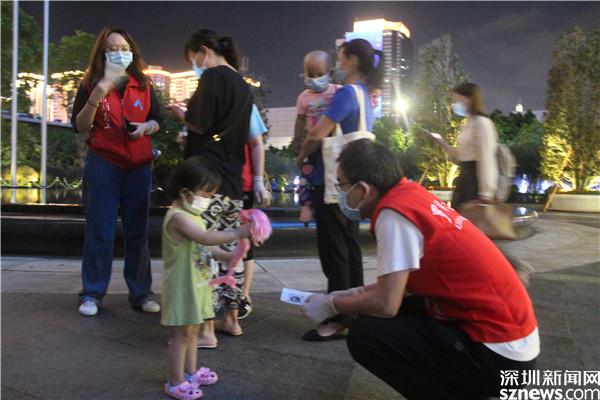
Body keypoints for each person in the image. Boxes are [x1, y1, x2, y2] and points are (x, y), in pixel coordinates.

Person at [301, 139, 540, 399]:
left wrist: (332, 306)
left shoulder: (393, 215)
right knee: (384, 311)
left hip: (499, 357)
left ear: (364, 189)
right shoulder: (411, 196)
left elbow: (386, 303)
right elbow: (396, 287)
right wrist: (352, 294)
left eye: (341, 185)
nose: (340, 193)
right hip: (513, 342)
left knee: (366, 335)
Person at [165, 29, 269, 345]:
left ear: (204, 51)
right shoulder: (242, 84)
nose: (195, 65)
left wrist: (180, 115)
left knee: (205, 254)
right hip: (233, 181)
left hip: (207, 181)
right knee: (229, 254)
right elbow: (248, 136)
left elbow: (199, 123)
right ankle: (231, 320)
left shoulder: (213, 77)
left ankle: (206, 330)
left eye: (194, 59)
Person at [71, 27, 162, 317]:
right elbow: (80, 125)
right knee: (100, 230)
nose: (119, 52)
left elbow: (157, 119)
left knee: (137, 231)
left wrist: (145, 128)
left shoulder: (143, 83)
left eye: (124, 47)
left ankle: (141, 293)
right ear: (103, 53)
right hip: (104, 163)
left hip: (138, 165)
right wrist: (97, 94)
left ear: (132, 51)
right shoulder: (90, 83)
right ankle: (92, 293)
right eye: (112, 48)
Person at [296, 39, 381, 341]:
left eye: (342, 58)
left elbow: (317, 133)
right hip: (353, 186)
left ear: (353, 60)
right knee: (350, 249)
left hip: (332, 182)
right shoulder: (365, 95)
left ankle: (337, 318)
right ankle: (354, 311)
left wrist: (302, 154)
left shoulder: (346, 93)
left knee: (334, 253)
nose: (339, 63)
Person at [162, 156, 252, 399]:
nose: (209, 200)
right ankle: (174, 382)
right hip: (182, 286)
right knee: (181, 335)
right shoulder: (178, 216)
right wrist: (236, 232)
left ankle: (190, 373)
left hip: (197, 283)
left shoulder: (193, 215)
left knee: (192, 332)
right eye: (206, 194)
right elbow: (203, 238)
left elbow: (205, 246)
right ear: (185, 192)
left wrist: (227, 256)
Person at [430, 82, 534, 284]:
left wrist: (486, 191)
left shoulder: (482, 124)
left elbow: (487, 157)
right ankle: (483, 272)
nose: (455, 103)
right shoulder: (468, 124)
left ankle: (514, 266)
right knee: (468, 234)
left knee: (475, 234)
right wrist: (442, 143)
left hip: (475, 181)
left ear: (470, 99)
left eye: (458, 99)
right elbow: (460, 156)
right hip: (465, 178)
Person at [292, 51, 341, 223]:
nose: (315, 79)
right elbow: (299, 120)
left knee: (331, 174)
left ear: (330, 72)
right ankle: (306, 205)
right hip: (312, 144)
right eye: (310, 75)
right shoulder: (303, 97)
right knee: (306, 174)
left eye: (319, 75)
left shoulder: (337, 91)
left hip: (332, 142)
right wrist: (297, 140)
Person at [238, 105, 270, 319]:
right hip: (214, 183)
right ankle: (224, 293)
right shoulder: (206, 99)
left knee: (244, 243)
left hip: (243, 184)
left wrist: (258, 179)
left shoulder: (246, 105)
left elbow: (257, 142)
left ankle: (243, 295)